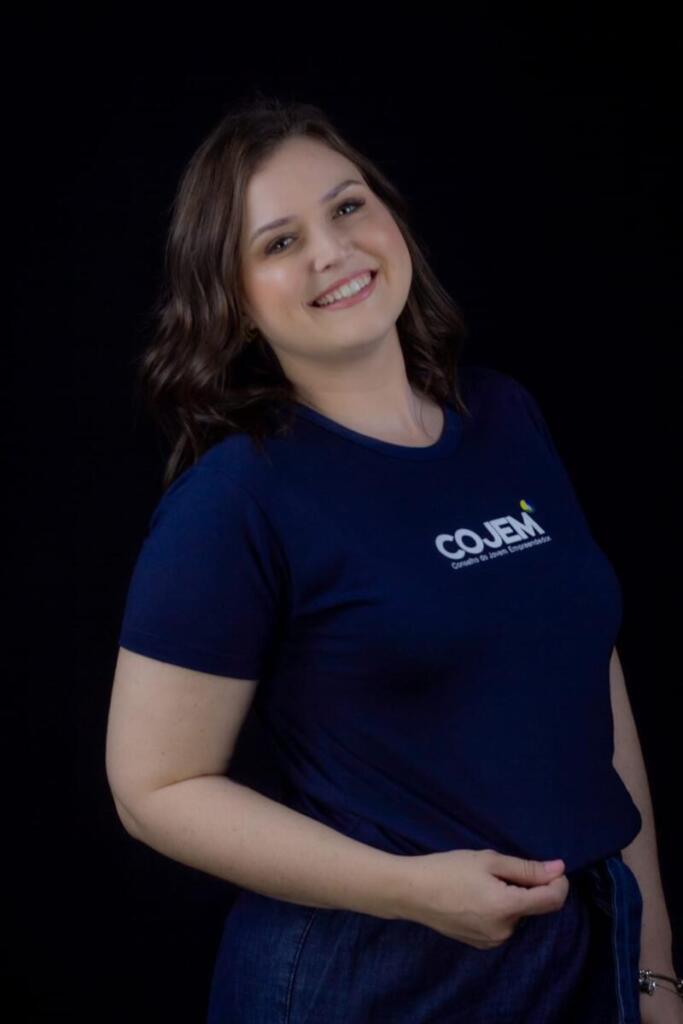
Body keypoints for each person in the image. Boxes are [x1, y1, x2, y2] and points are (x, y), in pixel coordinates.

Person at [105, 93, 680, 1023]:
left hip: (584, 942)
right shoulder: (236, 499)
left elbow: (588, 678)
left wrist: (650, 964)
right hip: (377, 971)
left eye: (346, 206)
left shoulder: (504, 417)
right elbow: (154, 789)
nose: (332, 251)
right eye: (279, 242)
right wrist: (405, 889)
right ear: (234, 301)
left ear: (391, 217)